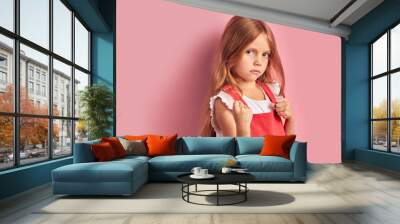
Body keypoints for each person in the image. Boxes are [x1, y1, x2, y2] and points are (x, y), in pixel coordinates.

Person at [201, 16, 295, 137]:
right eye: (250, 52)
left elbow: (287, 148)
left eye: (265, 54)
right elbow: (238, 154)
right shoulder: (226, 102)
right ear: (231, 51)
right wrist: (243, 126)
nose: (258, 62)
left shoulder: (271, 93)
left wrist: (291, 119)